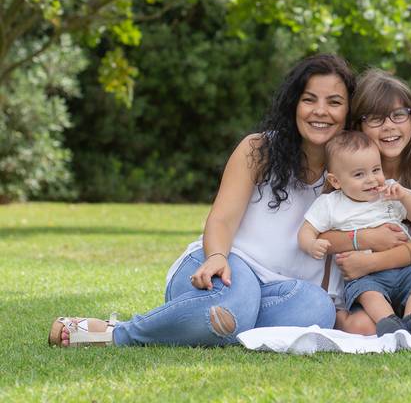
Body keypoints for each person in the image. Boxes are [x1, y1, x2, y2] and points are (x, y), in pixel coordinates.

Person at [48, 53, 357, 347]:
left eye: (334, 102)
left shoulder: (352, 177)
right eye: (309, 99)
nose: (320, 111)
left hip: (278, 292)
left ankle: (216, 326)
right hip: (220, 266)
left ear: (349, 112)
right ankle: (117, 334)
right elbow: (221, 219)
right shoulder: (259, 149)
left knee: (318, 309)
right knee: (237, 298)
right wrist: (217, 256)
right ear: (294, 105)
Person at [321, 69, 411, 336]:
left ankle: (409, 318)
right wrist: (369, 239)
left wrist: (370, 262)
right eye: (375, 118)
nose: (389, 126)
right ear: (358, 127)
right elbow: (323, 238)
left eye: (399, 114)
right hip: (366, 281)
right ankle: (351, 319)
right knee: (363, 327)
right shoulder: (347, 175)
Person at [298, 130, 411, 337]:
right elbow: (307, 230)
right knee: (368, 293)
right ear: (336, 181)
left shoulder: (389, 191)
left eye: (376, 170)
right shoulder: (331, 203)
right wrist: (311, 244)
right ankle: (388, 321)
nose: (371, 179)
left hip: (403, 267)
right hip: (364, 274)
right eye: (359, 174)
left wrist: (405, 197)